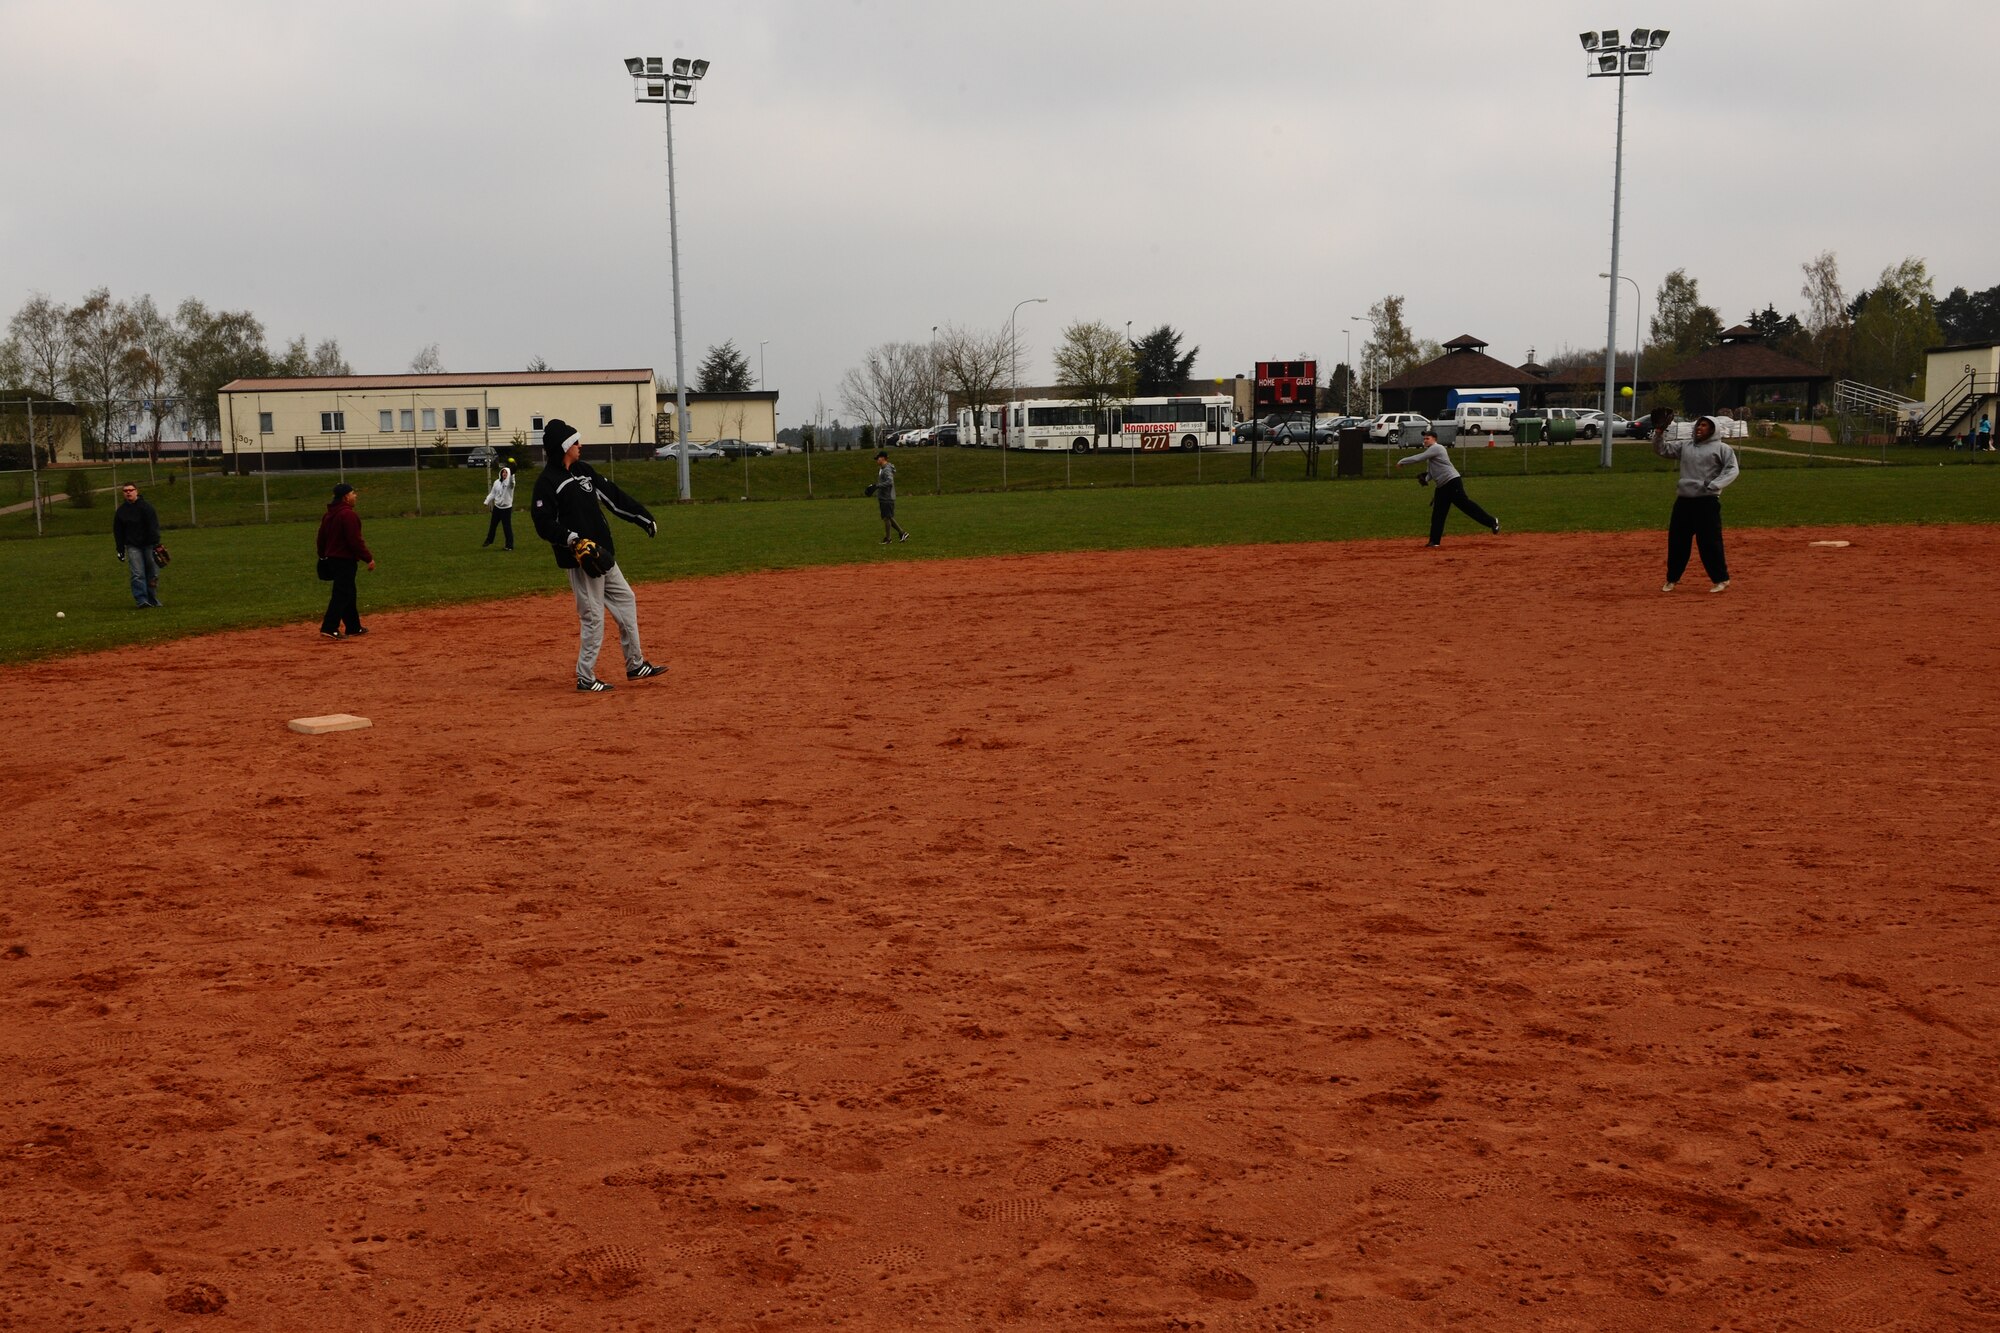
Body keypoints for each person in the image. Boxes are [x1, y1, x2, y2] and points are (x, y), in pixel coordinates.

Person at [530, 418, 662, 692]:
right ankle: (586, 677)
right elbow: (543, 523)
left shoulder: (583, 471)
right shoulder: (547, 482)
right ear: (564, 447)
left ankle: (635, 664)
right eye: (575, 442)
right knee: (593, 618)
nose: (580, 445)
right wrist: (572, 540)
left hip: (603, 555)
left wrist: (642, 517)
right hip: (582, 561)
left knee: (626, 599)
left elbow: (613, 496)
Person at [1652, 413, 1740, 593]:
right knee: (1677, 542)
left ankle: (1721, 579)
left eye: (1705, 425)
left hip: (1707, 502)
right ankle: (1672, 579)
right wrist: (1659, 433)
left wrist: (1715, 484)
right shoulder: (1686, 446)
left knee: (1709, 543)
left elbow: (1732, 469)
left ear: (1713, 429)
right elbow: (1662, 450)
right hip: (1684, 501)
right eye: (1699, 424)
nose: (1700, 428)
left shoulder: (1722, 448)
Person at [1393, 428, 1500, 547]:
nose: (1425, 440)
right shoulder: (1431, 454)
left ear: (1434, 439)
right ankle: (1434, 541)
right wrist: (1426, 479)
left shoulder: (1437, 448)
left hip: (1452, 482)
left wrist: (1402, 461)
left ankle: (1492, 521)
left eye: (1427, 438)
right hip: (1441, 487)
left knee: (1466, 506)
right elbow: (1431, 472)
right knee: (1438, 514)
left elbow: (1419, 457)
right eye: (1424, 439)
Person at [316, 483, 375, 639]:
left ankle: (353, 626)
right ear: (345, 497)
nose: (355, 496)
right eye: (353, 493)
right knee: (342, 593)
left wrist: (322, 556)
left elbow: (321, 539)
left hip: (333, 559)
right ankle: (329, 627)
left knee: (349, 592)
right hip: (344, 560)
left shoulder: (329, 515)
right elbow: (355, 541)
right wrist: (368, 558)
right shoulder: (348, 515)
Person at [111, 482, 164, 608]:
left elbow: (153, 526)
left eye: (131, 490)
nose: (128, 492)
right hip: (133, 546)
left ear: (136, 491)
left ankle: (152, 598)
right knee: (138, 573)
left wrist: (156, 543)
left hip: (149, 545)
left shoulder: (146, 508)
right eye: (125, 491)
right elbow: (118, 532)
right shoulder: (121, 511)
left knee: (152, 573)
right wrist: (120, 549)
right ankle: (142, 600)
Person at [868, 451, 909, 544]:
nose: (877, 460)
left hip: (887, 496)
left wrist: (877, 486)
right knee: (888, 517)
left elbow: (890, 482)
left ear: (883, 458)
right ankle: (901, 533)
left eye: (878, 458)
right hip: (885, 496)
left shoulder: (886, 469)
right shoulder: (883, 468)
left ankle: (889, 538)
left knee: (887, 517)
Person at [482, 466, 516, 549]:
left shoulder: (510, 484)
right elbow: (492, 493)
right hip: (497, 508)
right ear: (501, 473)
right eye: (503, 472)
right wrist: (486, 501)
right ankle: (489, 540)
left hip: (506, 509)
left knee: (506, 527)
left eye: (506, 472)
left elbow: (512, 483)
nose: (504, 473)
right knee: (493, 525)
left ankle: (509, 546)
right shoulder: (496, 482)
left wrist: (512, 474)